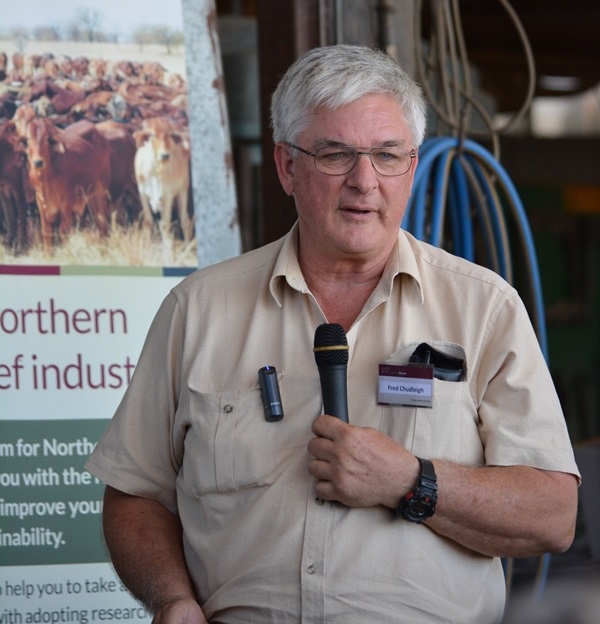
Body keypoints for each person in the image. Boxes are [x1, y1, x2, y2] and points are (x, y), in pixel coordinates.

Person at [85, 44, 580, 624]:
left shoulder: (484, 308)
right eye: (336, 154)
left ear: (413, 167)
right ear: (287, 167)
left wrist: (412, 481)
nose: (364, 181)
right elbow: (135, 495)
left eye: (387, 155)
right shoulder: (198, 310)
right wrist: (173, 600)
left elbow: (553, 515)